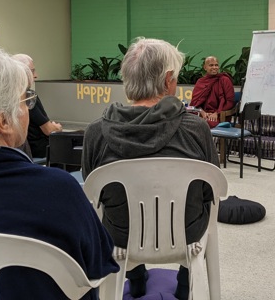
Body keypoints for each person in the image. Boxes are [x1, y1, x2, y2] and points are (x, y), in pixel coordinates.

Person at [0, 47, 118, 300]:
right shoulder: (55, 192)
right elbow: (98, 267)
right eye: (25, 100)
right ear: (3, 121)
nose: (28, 108)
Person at [82, 37, 219, 300]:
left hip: (121, 236)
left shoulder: (96, 132)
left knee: (118, 208)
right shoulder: (195, 129)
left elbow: (92, 193)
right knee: (196, 203)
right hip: (186, 231)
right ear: (168, 80)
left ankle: (135, 277)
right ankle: (185, 281)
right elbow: (209, 191)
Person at [13, 53, 63, 158]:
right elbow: (49, 130)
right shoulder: (28, 96)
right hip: (39, 150)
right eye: (32, 71)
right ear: (22, 72)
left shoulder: (5, 96)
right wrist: (57, 127)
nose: (36, 75)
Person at [189, 55, 235, 128]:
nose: (214, 67)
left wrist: (217, 113)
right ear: (205, 67)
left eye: (216, 65)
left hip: (219, 115)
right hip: (203, 113)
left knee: (204, 123)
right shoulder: (200, 81)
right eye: (211, 65)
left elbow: (230, 102)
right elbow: (195, 102)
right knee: (187, 121)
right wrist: (203, 113)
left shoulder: (224, 80)